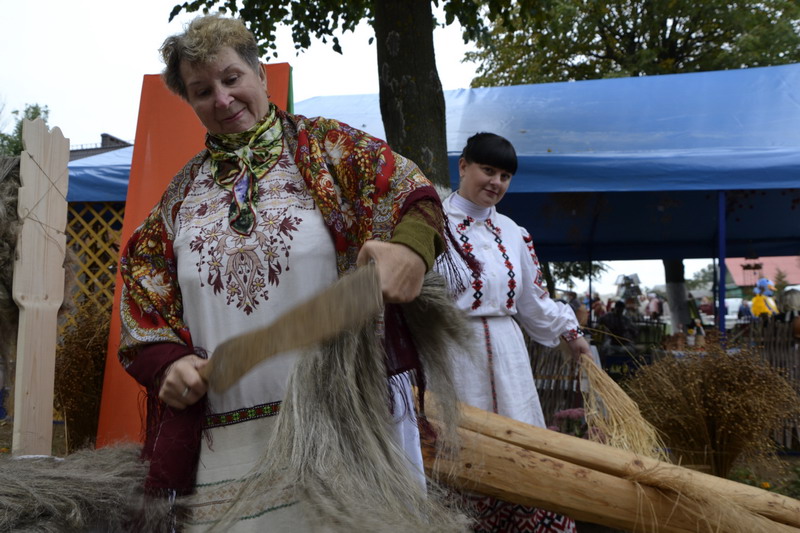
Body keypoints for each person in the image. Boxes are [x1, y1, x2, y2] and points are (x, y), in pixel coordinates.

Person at [118, 14, 466, 532]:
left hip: (343, 427)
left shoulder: (328, 151)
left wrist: (412, 253)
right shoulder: (179, 199)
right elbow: (143, 290)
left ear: (260, 73)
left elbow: (413, 193)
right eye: (201, 90)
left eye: (231, 78)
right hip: (227, 443)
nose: (222, 98)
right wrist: (167, 364)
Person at [436, 132, 591, 533]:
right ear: (463, 166)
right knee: (461, 449)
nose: (496, 183)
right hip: (453, 353)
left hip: (508, 356)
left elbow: (533, 302)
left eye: (505, 176)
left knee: (519, 442)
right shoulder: (428, 220)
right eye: (488, 170)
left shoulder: (513, 232)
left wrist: (570, 333)